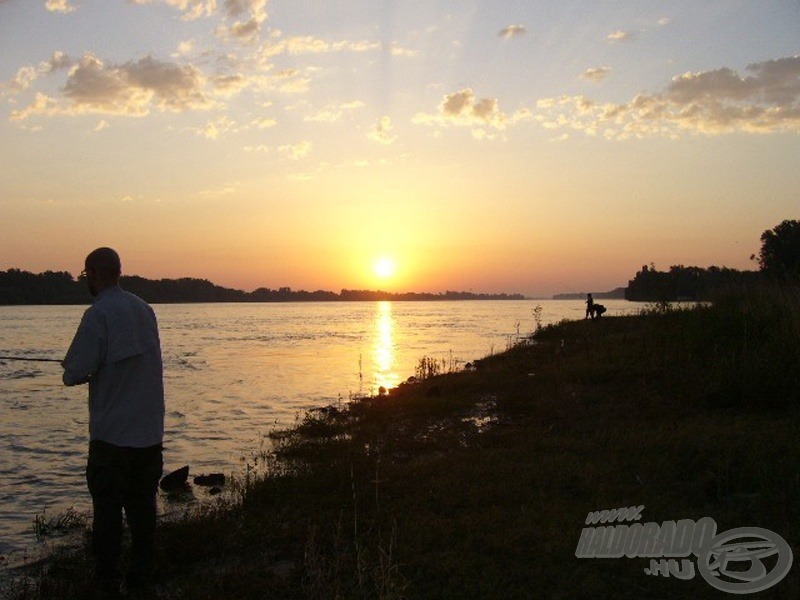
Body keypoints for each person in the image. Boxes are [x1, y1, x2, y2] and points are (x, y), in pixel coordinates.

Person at [62, 248, 165, 597]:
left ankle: (106, 583)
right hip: (149, 435)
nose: (85, 280)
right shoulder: (144, 310)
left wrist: (69, 366)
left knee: (107, 516)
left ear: (94, 272)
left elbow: (75, 373)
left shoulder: (99, 313)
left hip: (111, 438)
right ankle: (141, 582)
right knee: (143, 516)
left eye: (86, 274)